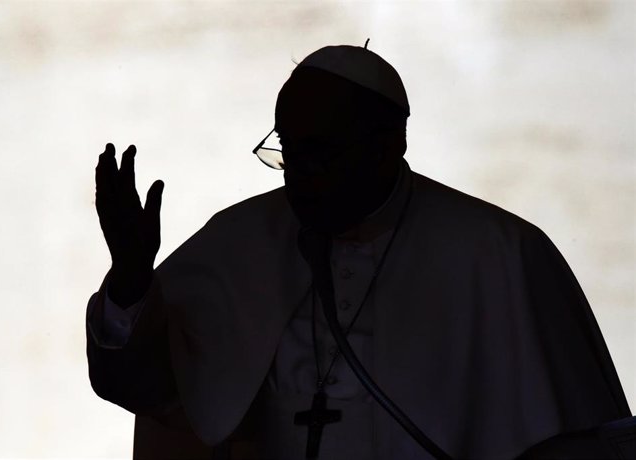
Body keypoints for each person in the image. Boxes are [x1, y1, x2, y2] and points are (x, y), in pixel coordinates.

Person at [86, 44, 632, 459]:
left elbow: (576, 441)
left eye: (322, 153)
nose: (301, 175)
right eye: (290, 150)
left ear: (389, 146)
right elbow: (146, 391)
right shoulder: (237, 242)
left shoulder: (500, 254)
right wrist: (131, 285)